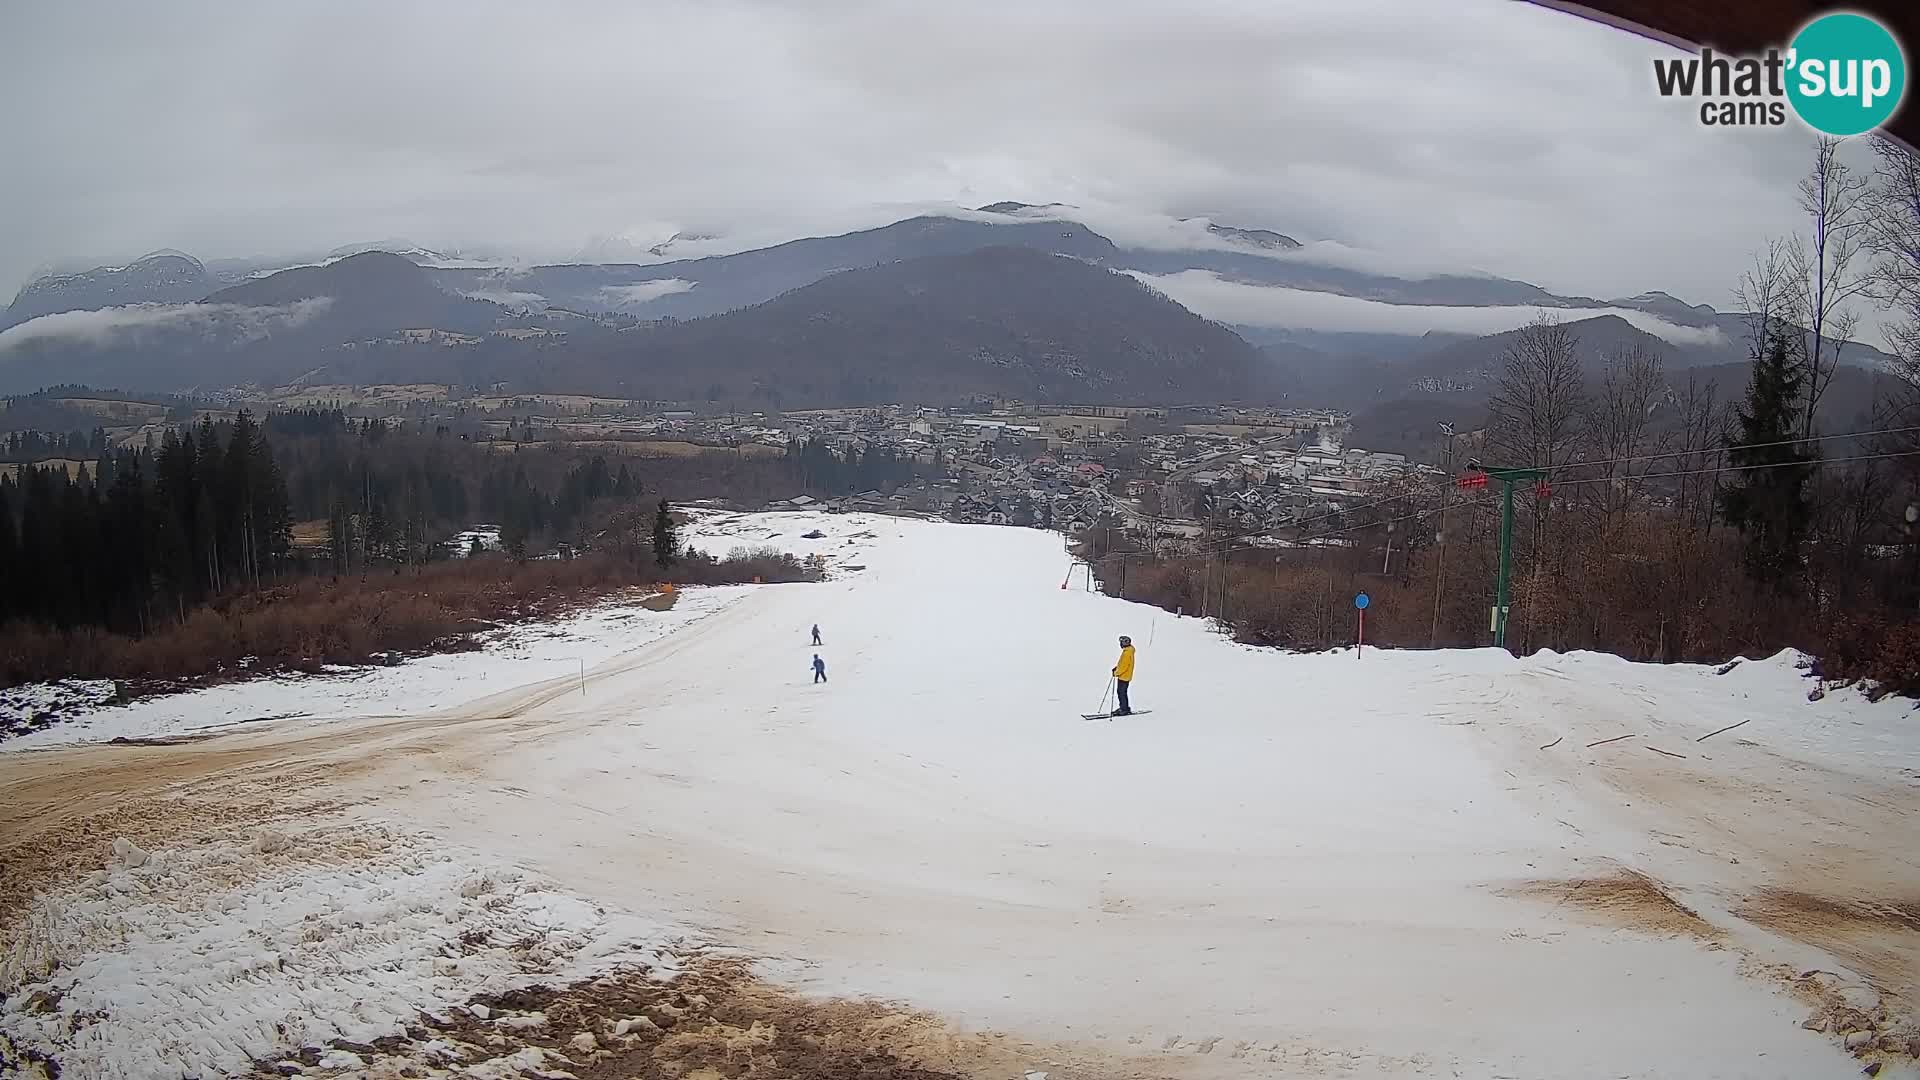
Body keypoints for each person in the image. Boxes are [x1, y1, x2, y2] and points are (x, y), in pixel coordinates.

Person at [1111, 635, 1135, 715]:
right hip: (1125, 675)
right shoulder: (1127, 651)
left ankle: (1124, 709)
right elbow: (1122, 664)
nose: (1120, 644)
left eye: (1121, 642)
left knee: (1121, 692)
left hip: (1124, 676)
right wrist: (1117, 668)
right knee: (1122, 692)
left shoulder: (1127, 653)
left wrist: (1116, 672)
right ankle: (1124, 707)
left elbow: (1124, 666)